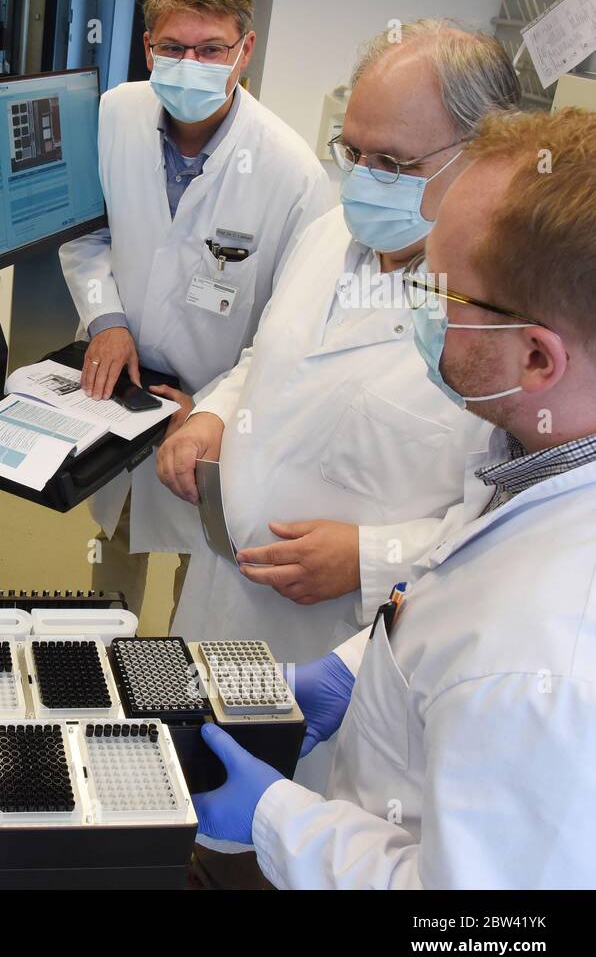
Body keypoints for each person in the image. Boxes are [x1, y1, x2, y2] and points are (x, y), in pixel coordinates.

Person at [194, 107, 596, 888]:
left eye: (437, 293)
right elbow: (460, 575)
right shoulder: (533, 453)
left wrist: (276, 819)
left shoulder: (546, 660)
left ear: (538, 357)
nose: (413, 306)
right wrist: (358, 667)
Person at [157, 22, 520, 797]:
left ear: (483, 158)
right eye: (353, 152)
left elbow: (507, 535)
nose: (363, 178)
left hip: (344, 656)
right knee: (186, 806)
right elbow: (264, 357)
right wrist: (214, 414)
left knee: (298, 846)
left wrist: (372, 561)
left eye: (392, 163)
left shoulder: (506, 320)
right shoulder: (333, 233)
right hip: (224, 606)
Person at [58, 0, 332, 615]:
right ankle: (104, 684)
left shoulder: (291, 174)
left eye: (211, 50)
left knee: (202, 579)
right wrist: (106, 318)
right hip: (122, 399)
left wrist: (212, 413)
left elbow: (292, 330)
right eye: (173, 48)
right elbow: (84, 235)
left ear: (245, 50)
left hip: (219, 422)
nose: (191, 63)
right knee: (114, 553)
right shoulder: (112, 116)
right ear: (147, 46)